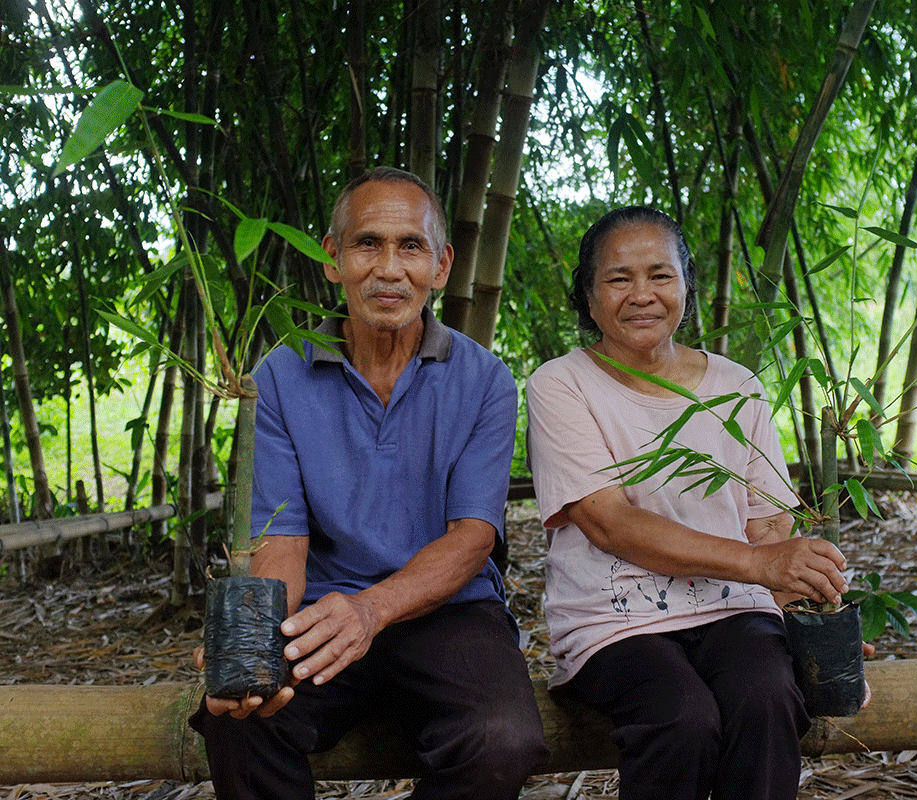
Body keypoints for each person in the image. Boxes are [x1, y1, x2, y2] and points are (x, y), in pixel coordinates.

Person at [190, 167, 548, 800]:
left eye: (410, 247)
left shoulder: (486, 380)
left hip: (447, 609)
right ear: (332, 258)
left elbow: (472, 538)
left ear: (441, 266)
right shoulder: (278, 377)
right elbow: (280, 545)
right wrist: (247, 639)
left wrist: (372, 610)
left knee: (503, 739)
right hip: (321, 607)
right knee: (244, 720)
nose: (389, 268)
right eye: (367, 244)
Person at [525, 205, 860, 800]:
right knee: (681, 717)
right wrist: (760, 566)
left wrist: (817, 621)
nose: (642, 295)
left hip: (735, 612)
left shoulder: (738, 387)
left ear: (687, 285)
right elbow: (609, 522)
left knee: (769, 698)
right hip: (615, 621)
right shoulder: (562, 384)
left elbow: (767, 524)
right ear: (588, 293)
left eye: (661, 275)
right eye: (618, 278)